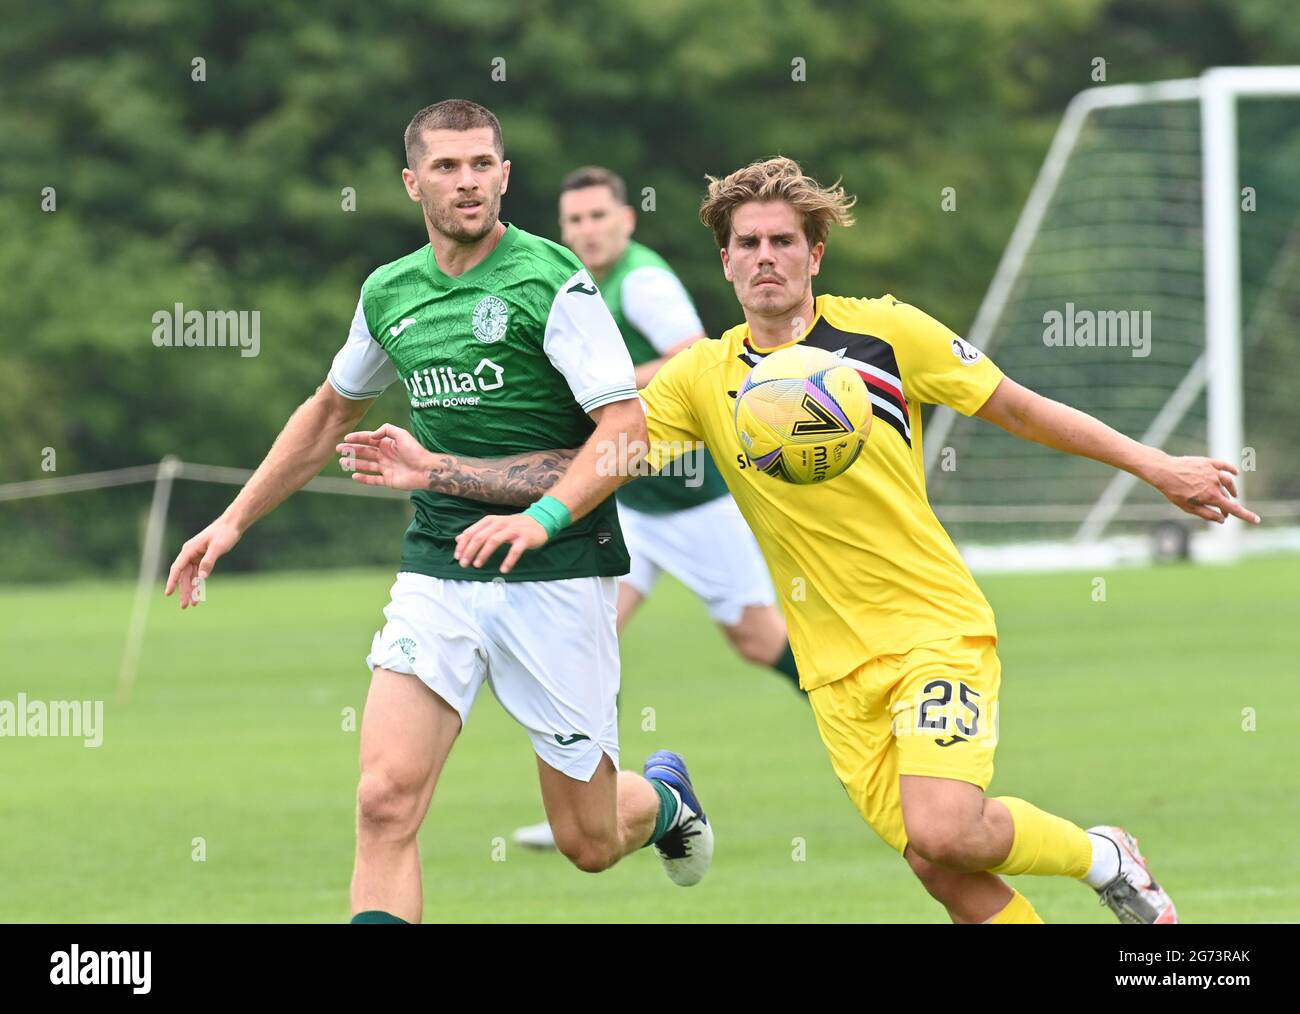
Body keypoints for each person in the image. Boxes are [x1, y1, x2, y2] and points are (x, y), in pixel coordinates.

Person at [357, 156, 1259, 923]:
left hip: (933, 629)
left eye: (783, 241)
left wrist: (1156, 466)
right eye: (746, 244)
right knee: (941, 869)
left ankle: (1102, 856)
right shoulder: (699, 378)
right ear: (725, 261)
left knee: (947, 826)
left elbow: (1021, 408)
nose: (765, 258)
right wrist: (438, 469)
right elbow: (597, 459)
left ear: (814, 252)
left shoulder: (887, 333)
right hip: (832, 667)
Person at [164, 100, 715, 925]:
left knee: (588, 843)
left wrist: (541, 521)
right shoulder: (391, 291)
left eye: (482, 164)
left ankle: (665, 802)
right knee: (384, 802)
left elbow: (626, 432)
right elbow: (327, 412)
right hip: (440, 569)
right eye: (448, 167)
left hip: (559, 574)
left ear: (504, 175)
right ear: (411, 181)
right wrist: (232, 521)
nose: (468, 182)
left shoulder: (549, 281)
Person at [508, 166, 801, 851]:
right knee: (586, 632)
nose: (586, 231)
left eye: (597, 217)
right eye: (574, 221)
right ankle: (596, 805)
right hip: (631, 505)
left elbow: (692, 357)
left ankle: (865, 725)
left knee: (759, 641)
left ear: (626, 220)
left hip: (694, 501)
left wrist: (600, 388)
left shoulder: (641, 280)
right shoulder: (580, 284)